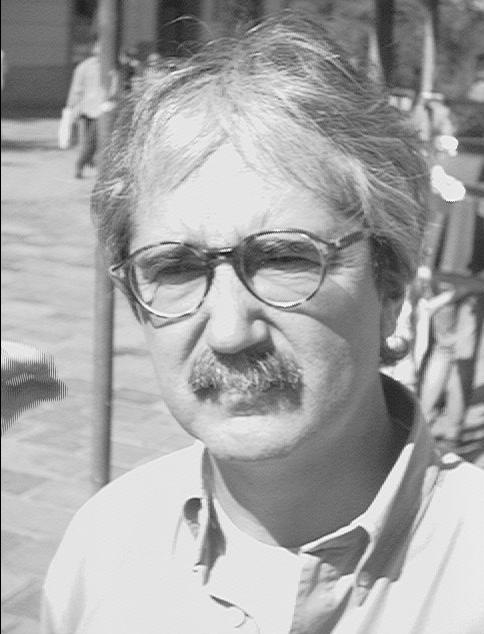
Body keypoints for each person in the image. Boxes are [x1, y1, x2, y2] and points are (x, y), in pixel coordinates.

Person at [41, 14, 484, 634]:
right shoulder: (105, 546)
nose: (230, 332)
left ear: (390, 284)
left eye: (284, 259)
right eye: (175, 268)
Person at [65, 40, 103, 179]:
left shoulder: (110, 66)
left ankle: (82, 165)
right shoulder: (84, 67)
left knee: (92, 141)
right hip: (86, 109)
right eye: (99, 47)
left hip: (101, 110)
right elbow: (76, 89)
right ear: (94, 49)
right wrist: (71, 107)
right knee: (88, 141)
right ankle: (84, 163)